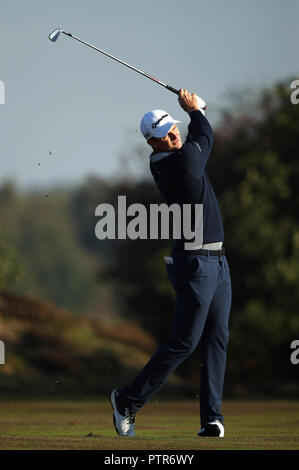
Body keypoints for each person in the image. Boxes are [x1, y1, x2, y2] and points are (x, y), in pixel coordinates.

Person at [110, 89, 232, 438]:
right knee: (185, 341)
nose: (174, 134)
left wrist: (196, 110)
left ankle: (212, 418)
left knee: (217, 338)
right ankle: (127, 401)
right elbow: (204, 135)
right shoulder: (177, 164)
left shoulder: (180, 152)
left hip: (218, 263)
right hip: (195, 264)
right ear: (153, 142)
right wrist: (196, 111)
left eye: (174, 128)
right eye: (166, 134)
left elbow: (199, 132)